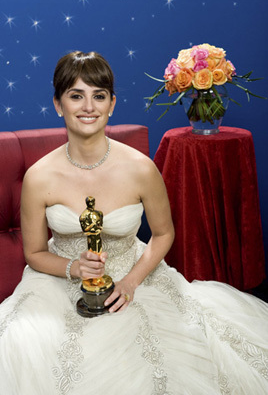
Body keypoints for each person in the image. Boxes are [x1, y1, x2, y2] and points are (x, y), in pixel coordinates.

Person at [0, 50, 267, 395]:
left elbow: (163, 233)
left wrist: (130, 282)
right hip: (55, 281)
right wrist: (73, 268)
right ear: (58, 104)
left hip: (134, 274)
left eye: (99, 96)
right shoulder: (39, 176)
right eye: (76, 96)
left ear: (112, 104)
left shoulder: (141, 168)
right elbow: (35, 252)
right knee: (28, 350)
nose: (88, 107)